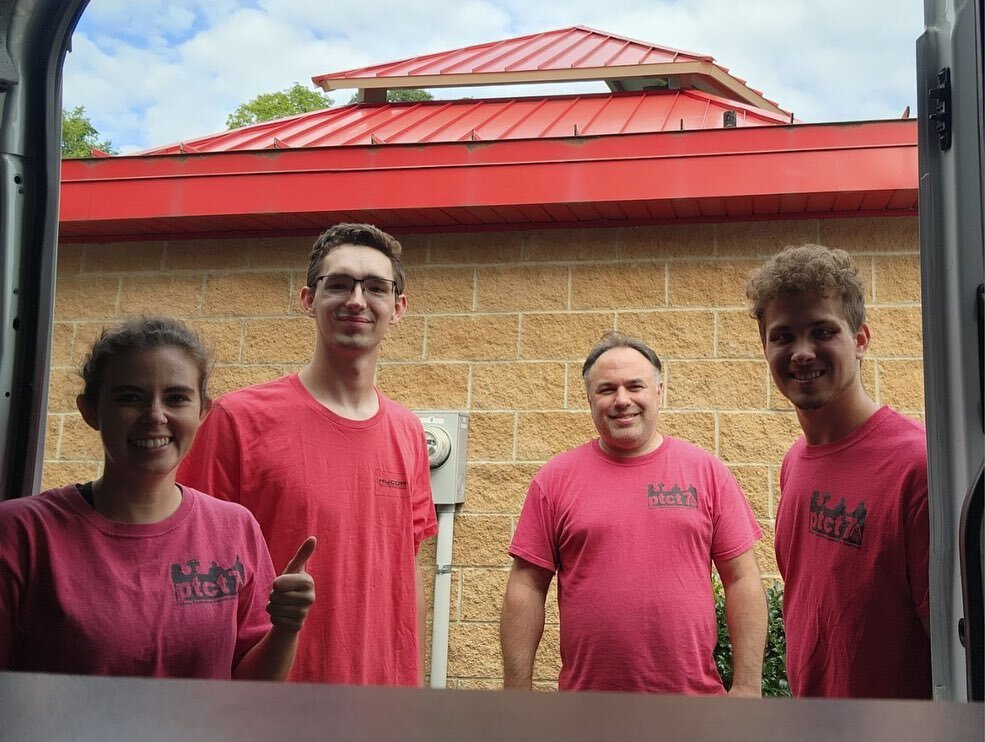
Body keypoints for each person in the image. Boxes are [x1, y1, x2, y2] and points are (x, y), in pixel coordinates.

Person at [179, 223, 437, 686]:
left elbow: (408, 573)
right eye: (338, 284)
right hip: (272, 703)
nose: (357, 300)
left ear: (397, 308)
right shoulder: (239, 420)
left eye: (375, 287)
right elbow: (190, 566)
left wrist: (412, 692)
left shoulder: (408, 431)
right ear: (307, 299)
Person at [0, 316, 315, 679]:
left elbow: (250, 688)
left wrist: (286, 628)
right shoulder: (22, 534)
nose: (155, 416)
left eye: (176, 398)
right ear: (90, 410)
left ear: (202, 411)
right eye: (130, 397)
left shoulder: (235, 528)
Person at [500, 331, 766, 695]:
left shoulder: (707, 472)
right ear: (589, 399)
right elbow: (526, 586)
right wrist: (517, 693)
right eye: (607, 389)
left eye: (635, 386)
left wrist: (748, 687)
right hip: (588, 712)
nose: (622, 400)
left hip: (694, 709)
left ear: (659, 392)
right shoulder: (554, 480)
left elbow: (743, 580)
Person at [745, 244, 931, 698]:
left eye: (822, 331)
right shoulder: (795, 463)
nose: (802, 352)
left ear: (861, 339)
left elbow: (957, 645)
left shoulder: (917, 466)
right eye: (783, 336)